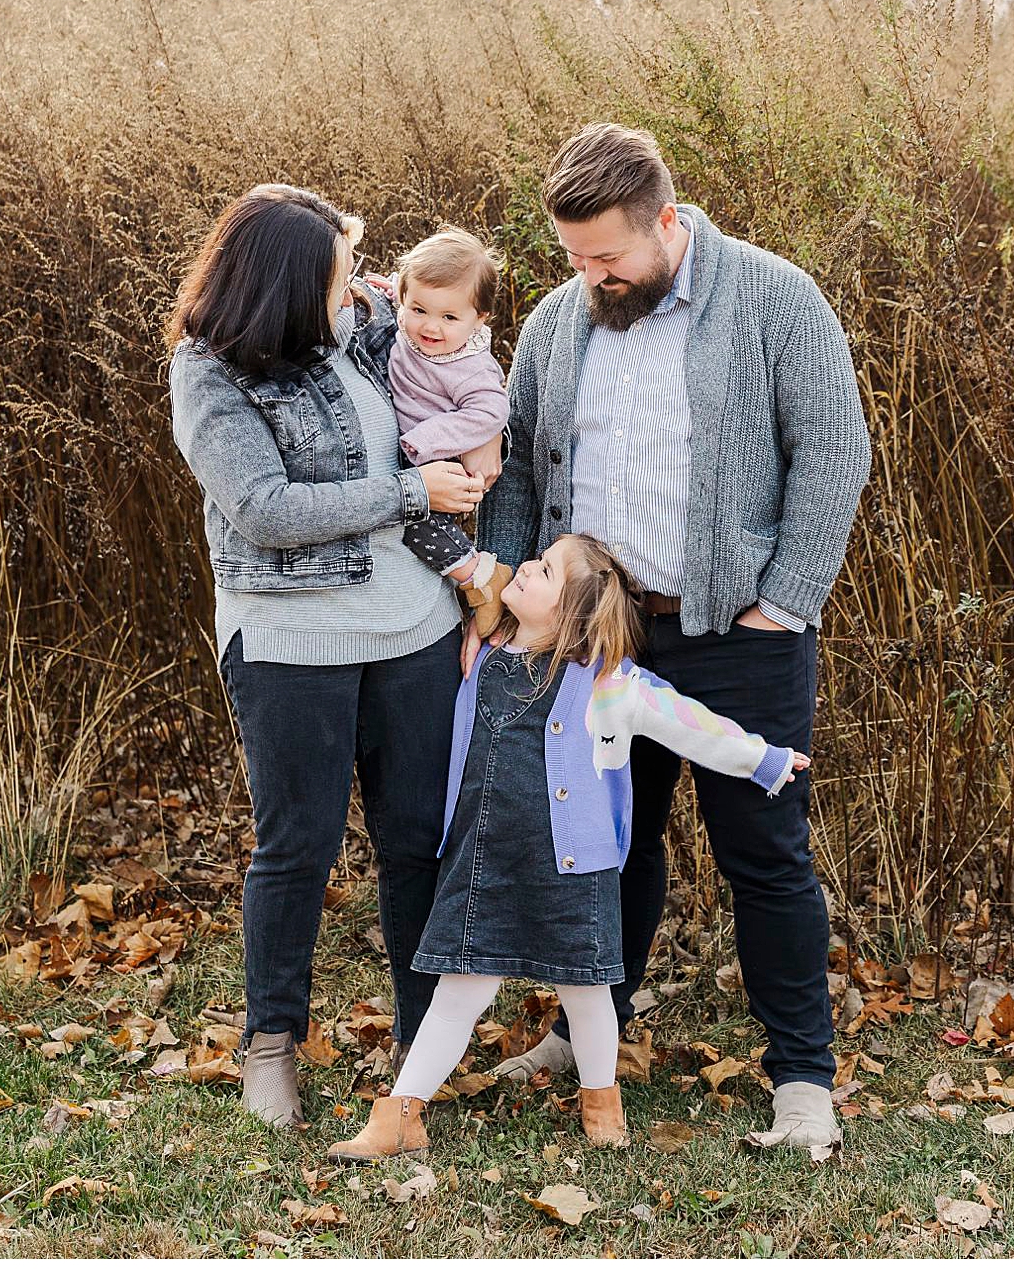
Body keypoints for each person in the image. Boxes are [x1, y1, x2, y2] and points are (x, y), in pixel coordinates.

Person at [474, 123, 871, 1150]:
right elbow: (518, 469)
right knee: (605, 844)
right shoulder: (561, 321)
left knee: (763, 850)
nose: (591, 275)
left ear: (665, 218)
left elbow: (832, 450)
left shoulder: (776, 298)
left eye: (608, 255)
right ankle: (585, 1028)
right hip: (599, 633)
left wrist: (781, 600)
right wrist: (502, 605)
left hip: (737, 630)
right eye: (573, 257)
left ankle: (800, 1081)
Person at [164, 184, 498, 1127]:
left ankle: (420, 1048)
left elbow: (461, 339)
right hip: (289, 641)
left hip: (414, 631)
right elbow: (262, 509)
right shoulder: (210, 373)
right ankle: (272, 1045)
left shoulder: (366, 325)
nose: (362, 293)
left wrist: (484, 440)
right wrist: (409, 491)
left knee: (416, 844)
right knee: (296, 848)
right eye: (344, 280)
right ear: (285, 285)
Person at [326, 533, 809, 1161]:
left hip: (572, 868)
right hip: (484, 863)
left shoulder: (609, 684)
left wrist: (762, 760)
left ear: (575, 615)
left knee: (588, 994)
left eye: (547, 569)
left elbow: (690, 723)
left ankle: (600, 1100)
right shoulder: (483, 657)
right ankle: (400, 1115)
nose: (527, 565)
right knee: (459, 990)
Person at [383, 227, 515, 635]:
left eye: (449, 317)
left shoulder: (467, 366)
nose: (431, 327)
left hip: (439, 457)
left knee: (414, 524)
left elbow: (491, 411)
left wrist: (426, 439)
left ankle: (479, 577)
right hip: (415, 448)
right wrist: (382, 291)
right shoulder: (412, 322)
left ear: (480, 319)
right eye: (418, 309)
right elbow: (404, 295)